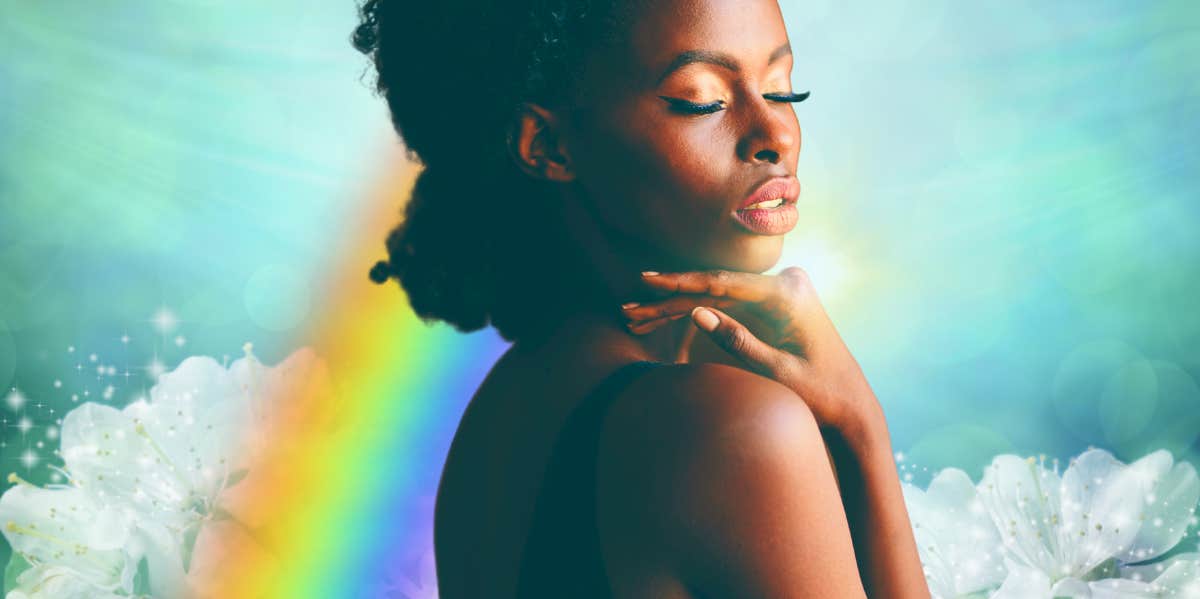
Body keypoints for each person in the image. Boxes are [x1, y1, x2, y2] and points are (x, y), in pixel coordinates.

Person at [353, 0, 930, 596]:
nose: (774, 135)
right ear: (550, 146)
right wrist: (861, 430)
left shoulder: (505, 411)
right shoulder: (729, 428)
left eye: (783, 91)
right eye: (702, 100)